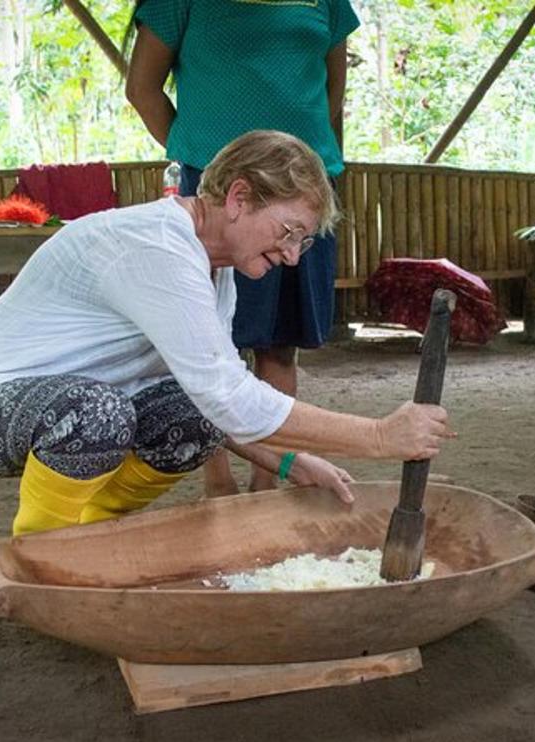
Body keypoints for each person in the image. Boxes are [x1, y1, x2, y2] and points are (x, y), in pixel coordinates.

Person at [0, 130, 450, 537]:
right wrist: (381, 437)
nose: (292, 256)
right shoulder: (156, 248)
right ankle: (43, 549)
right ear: (239, 197)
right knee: (98, 413)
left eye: (304, 244)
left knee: (186, 413)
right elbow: (234, 399)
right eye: (289, 233)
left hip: (69, 407)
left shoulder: (216, 270)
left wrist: (290, 462)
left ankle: (92, 531)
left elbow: (213, 402)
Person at [124, 0, 359, 497]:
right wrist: (212, 165)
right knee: (211, 341)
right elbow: (142, 89)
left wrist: (300, 175)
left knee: (280, 343)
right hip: (225, 193)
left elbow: (331, 91)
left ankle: (266, 487)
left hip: (300, 191)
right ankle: (219, 485)